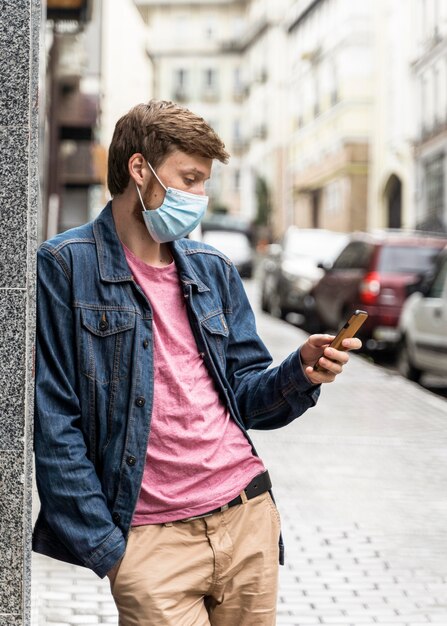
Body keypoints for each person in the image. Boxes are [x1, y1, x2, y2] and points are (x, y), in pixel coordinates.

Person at [33, 100, 361, 626]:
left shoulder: (213, 270)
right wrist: (111, 553)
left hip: (245, 515)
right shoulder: (66, 266)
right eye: (189, 178)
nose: (199, 198)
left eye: (204, 183)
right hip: (150, 544)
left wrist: (299, 370)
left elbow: (248, 397)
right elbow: (54, 421)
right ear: (139, 169)